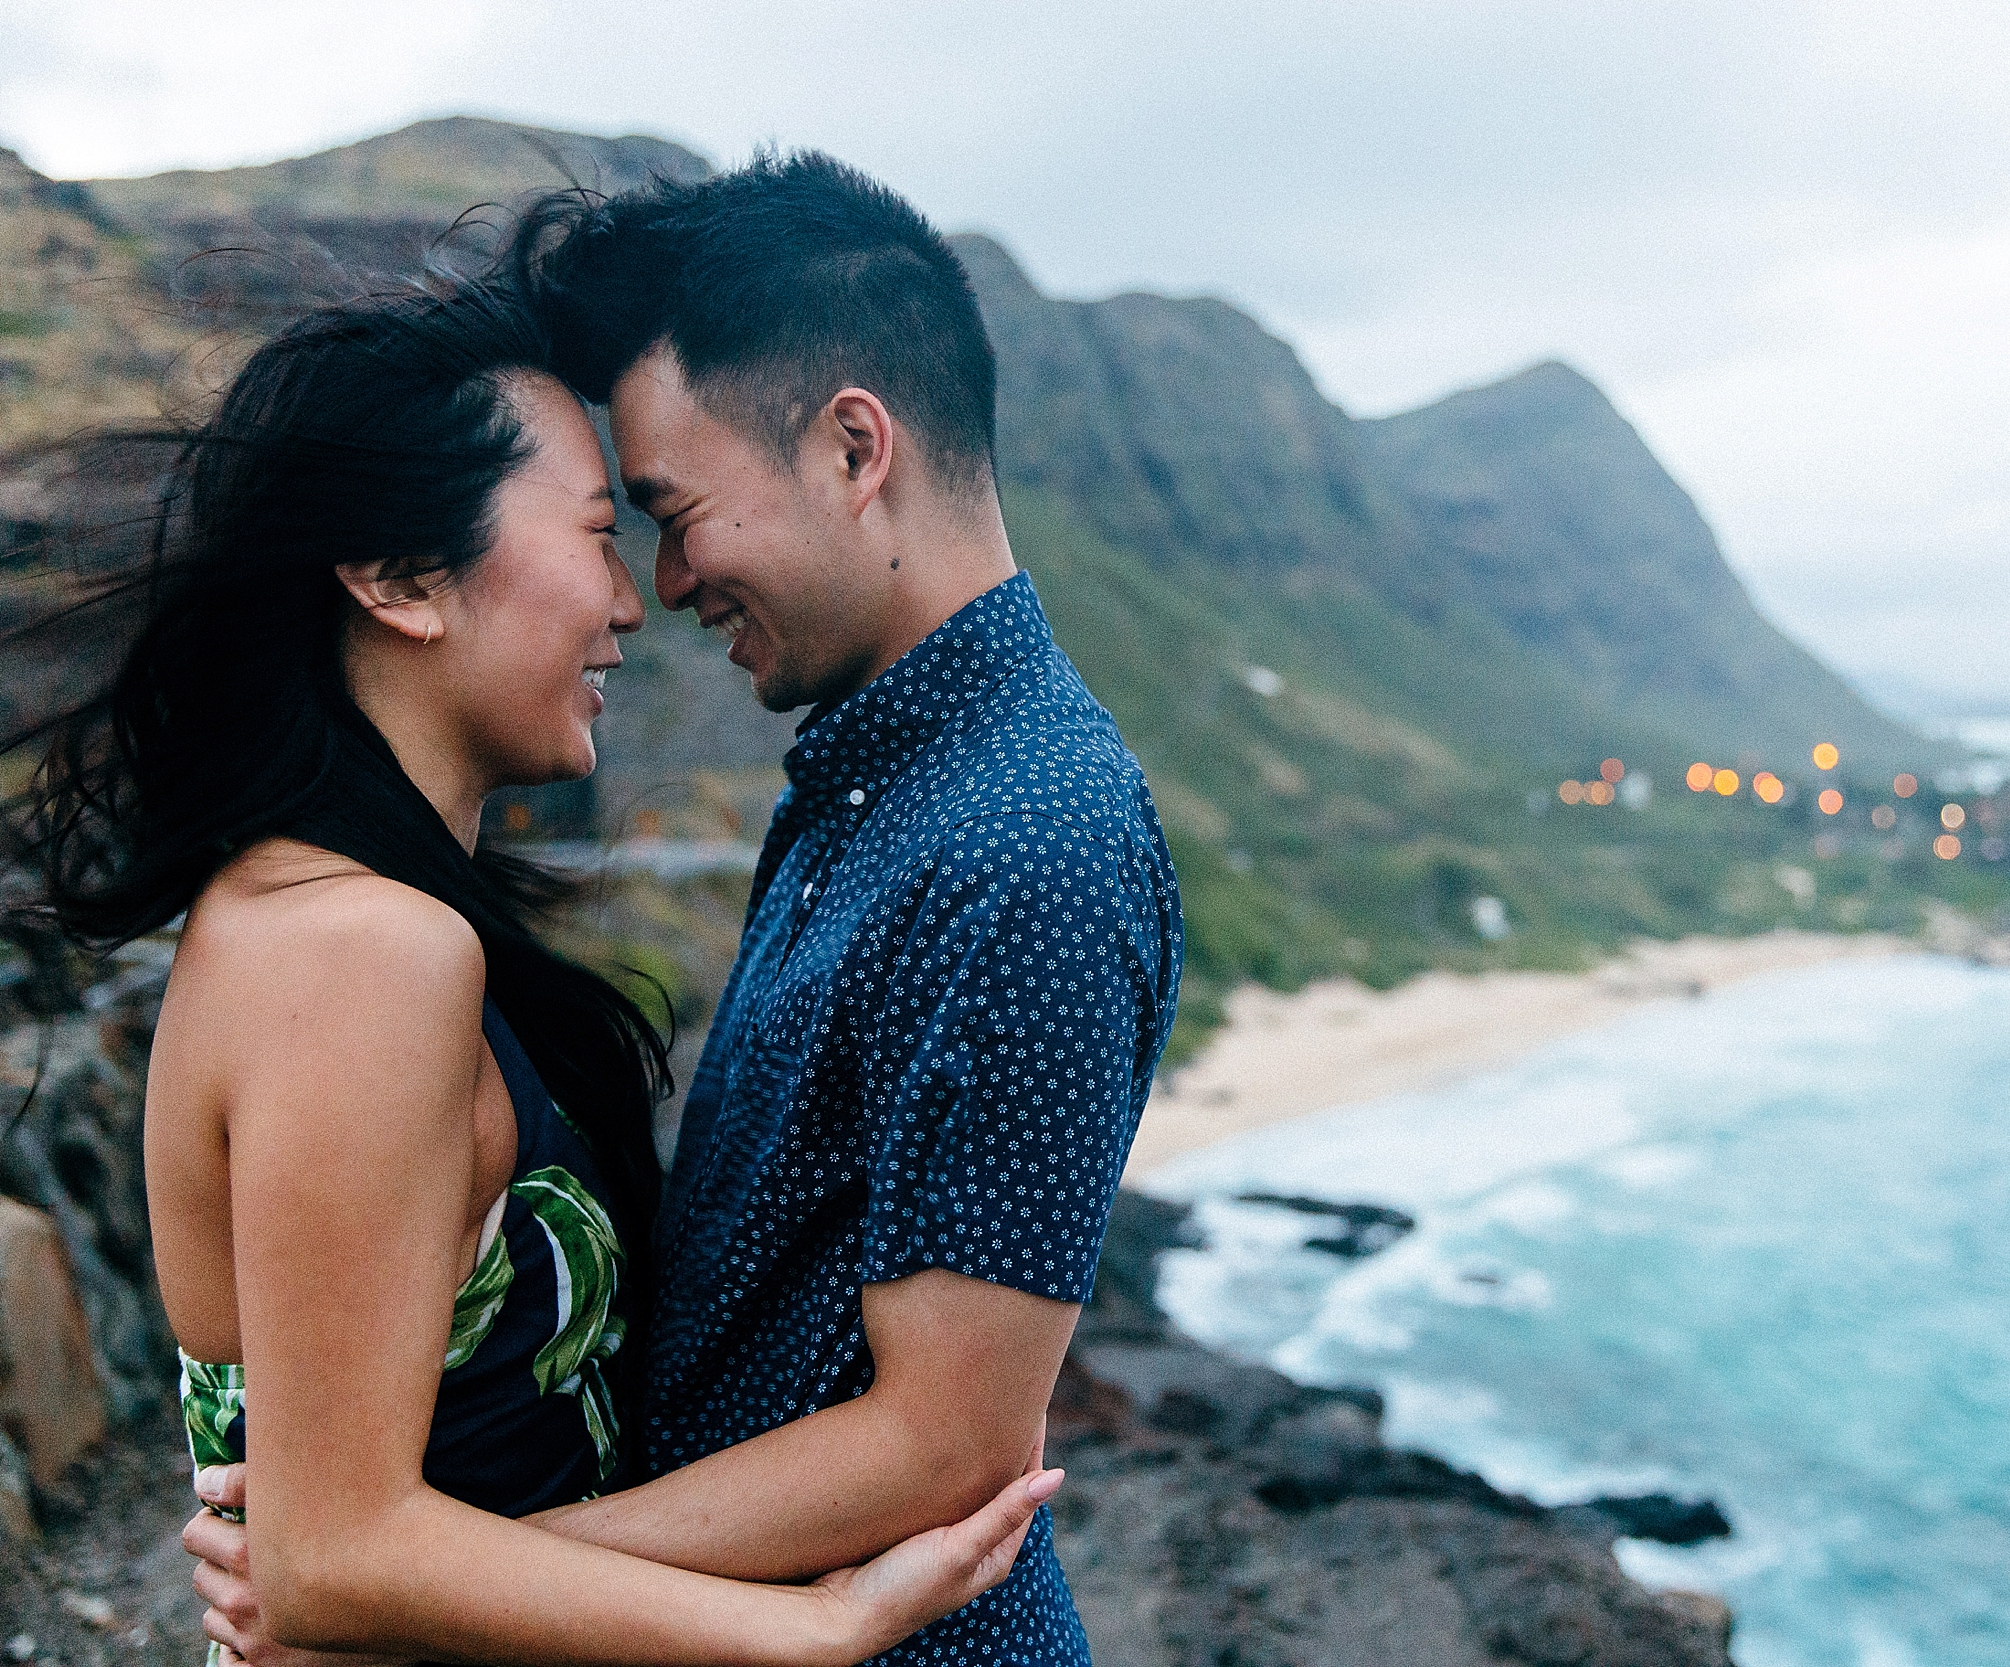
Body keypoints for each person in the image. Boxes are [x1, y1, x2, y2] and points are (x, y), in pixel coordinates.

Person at [192, 153, 1184, 1665]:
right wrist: (376, 1561)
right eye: (613, 527)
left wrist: (407, 1578)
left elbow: (943, 1445)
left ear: (857, 450)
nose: (657, 584)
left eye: (666, 510)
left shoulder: (1024, 834)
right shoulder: (876, 777)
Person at [6, 280, 1058, 1665]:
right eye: (592, 538)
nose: (639, 600)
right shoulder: (358, 950)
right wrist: (808, 1630)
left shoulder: (329, 914)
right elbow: (331, 1560)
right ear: (396, 578)